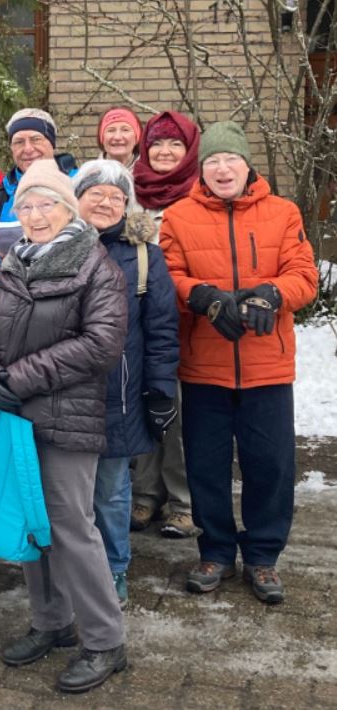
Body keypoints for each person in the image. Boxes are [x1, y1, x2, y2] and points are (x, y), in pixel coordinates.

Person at [0, 159, 127, 693]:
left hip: (65, 418)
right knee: (31, 523)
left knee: (72, 528)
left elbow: (101, 343)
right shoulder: (14, 260)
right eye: (26, 206)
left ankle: (105, 640)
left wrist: (18, 377)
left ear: (68, 210)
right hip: (13, 413)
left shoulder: (96, 266)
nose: (34, 215)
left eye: (46, 205)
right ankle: (52, 622)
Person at [162, 122, 317, 604]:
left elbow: (304, 275)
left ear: (248, 165)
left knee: (269, 465)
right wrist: (201, 296)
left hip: (267, 366)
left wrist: (272, 294)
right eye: (212, 161)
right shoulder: (178, 216)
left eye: (231, 159)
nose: (222, 169)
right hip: (204, 367)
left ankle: (263, 555)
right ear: (200, 170)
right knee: (206, 466)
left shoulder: (283, 213)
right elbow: (168, 275)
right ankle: (215, 552)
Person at [72, 160, 180, 608]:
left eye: (115, 197)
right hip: (61, 392)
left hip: (118, 393)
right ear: (76, 198)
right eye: (94, 193)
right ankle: (68, 567)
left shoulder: (144, 257)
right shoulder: (55, 246)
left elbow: (162, 330)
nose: (105, 202)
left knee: (112, 491)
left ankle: (114, 567)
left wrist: (160, 389)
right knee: (65, 492)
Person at [129, 110, 202, 538]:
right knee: (142, 404)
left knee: (177, 414)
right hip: (137, 318)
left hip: (186, 320)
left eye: (176, 143)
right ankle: (145, 493)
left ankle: (182, 501)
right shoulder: (131, 190)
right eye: (157, 143)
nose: (165, 151)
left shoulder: (200, 193)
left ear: (189, 150)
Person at [0, 108, 78, 227]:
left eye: (36, 140)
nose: (28, 149)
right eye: (19, 142)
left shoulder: (79, 185)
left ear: (52, 143)